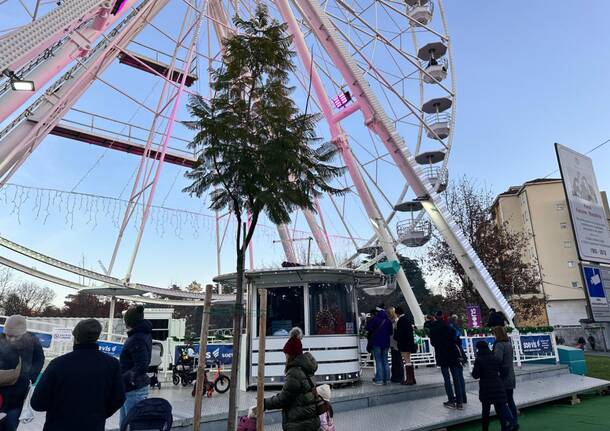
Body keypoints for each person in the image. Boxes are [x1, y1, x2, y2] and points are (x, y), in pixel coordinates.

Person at [31, 319, 125, 430]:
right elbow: (119, 398)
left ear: (76, 338)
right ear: (96, 337)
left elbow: (37, 403)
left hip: (58, 425)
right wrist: (99, 414)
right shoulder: (112, 364)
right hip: (93, 425)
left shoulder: (58, 364)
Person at [258, 327, 320, 431]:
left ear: (291, 355)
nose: (285, 357)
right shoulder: (306, 369)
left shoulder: (294, 373)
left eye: (286, 354)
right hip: (311, 421)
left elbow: (284, 398)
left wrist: (264, 403)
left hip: (299, 424)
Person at [0, 315, 44, 431]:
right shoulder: (0, 339)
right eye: (8, 335)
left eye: (15, 336)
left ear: (23, 333)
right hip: (1, 387)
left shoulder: (33, 341)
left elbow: (39, 359)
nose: (10, 339)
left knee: (11, 422)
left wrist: (31, 376)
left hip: (19, 390)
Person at [119, 305, 152, 428]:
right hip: (130, 388)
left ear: (129, 322)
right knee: (125, 424)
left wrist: (125, 377)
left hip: (134, 388)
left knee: (131, 425)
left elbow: (142, 365)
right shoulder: (142, 334)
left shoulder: (136, 339)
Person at [472, 341, 513, 431]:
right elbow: (503, 371)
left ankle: (485, 429)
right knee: (499, 410)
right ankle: (504, 427)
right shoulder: (494, 357)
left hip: (486, 388)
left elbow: (475, 375)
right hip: (498, 385)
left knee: (485, 412)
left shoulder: (479, 359)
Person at [429, 311, 464, 409]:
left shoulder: (433, 329)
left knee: (447, 379)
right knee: (456, 378)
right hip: (452, 354)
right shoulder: (450, 327)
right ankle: (460, 402)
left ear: (435, 317)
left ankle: (451, 400)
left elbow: (433, 343)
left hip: (441, 355)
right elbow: (457, 340)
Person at [492, 327, 518, 430]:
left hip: (502, 377)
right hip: (510, 375)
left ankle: (508, 422)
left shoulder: (499, 345)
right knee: (510, 399)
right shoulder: (508, 344)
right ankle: (514, 420)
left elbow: (498, 359)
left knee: (501, 402)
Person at [366, 305, 393, 385]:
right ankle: (387, 379)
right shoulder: (388, 320)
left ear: (377, 312)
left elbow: (368, 328)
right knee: (385, 360)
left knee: (378, 361)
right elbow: (391, 332)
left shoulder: (375, 319)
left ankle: (379, 380)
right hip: (386, 343)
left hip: (377, 342)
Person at [394, 306, 416, 385]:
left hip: (404, 344)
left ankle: (409, 379)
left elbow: (399, 334)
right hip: (409, 343)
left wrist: (395, 331)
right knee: (409, 360)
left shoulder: (400, 321)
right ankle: (412, 378)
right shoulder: (407, 319)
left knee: (407, 361)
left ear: (397, 313)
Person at [387, 307, 403, 384]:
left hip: (396, 344)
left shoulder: (396, 322)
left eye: (389, 313)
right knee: (395, 361)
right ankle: (395, 376)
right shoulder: (392, 322)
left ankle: (400, 377)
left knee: (398, 361)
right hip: (393, 344)